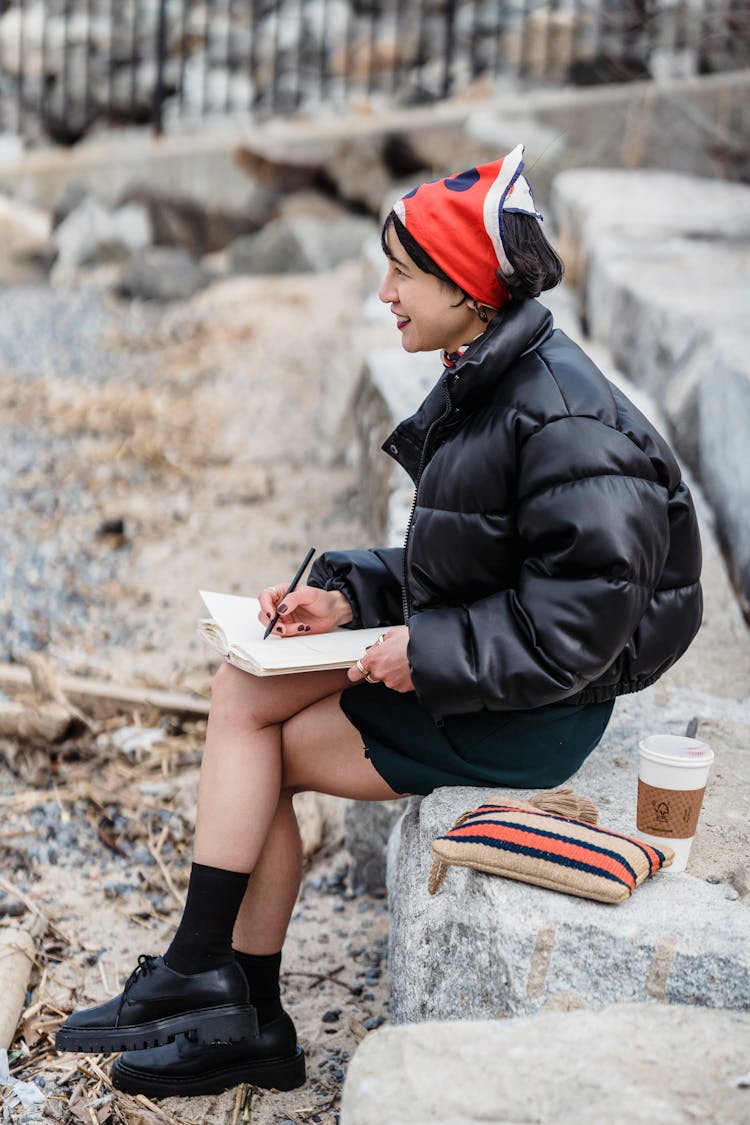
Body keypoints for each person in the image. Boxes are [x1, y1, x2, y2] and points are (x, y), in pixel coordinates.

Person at [55, 145, 702, 1097]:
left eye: (403, 270)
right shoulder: (493, 370)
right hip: (495, 676)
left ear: (469, 285)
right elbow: (476, 561)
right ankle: (240, 1005)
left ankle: (219, 984)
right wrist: (352, 597)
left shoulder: (565, 420)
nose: (385, 290)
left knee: (249, 707)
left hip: (534, 711)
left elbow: (578, 626)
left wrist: (427, 649)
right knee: (254, 693)